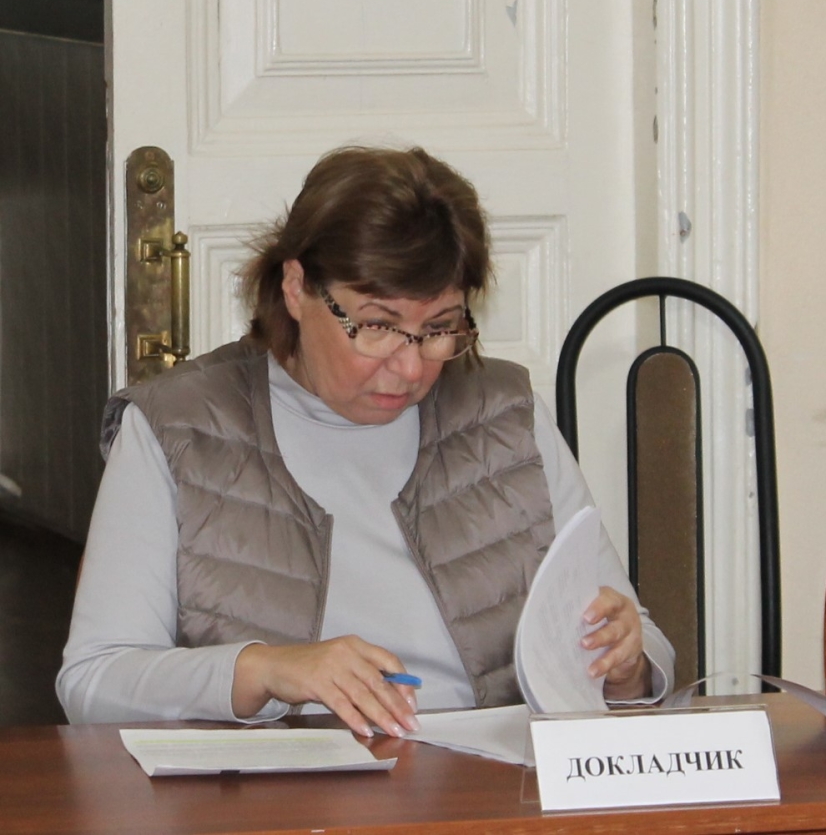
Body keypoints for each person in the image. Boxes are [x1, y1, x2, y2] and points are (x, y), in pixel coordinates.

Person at [57, 145, 674, 737]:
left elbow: (639, 646)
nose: (410, 367)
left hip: (488, 784)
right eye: (377, 325)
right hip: (277, 793)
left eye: (439, 328)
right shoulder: (176, 427)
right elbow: (93, 682)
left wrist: (628, 665)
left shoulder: (506, 416)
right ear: (296, 287)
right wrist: (264, 670)